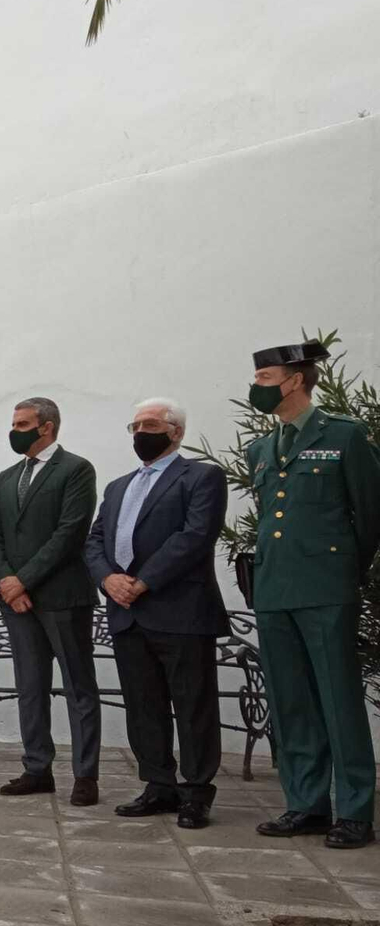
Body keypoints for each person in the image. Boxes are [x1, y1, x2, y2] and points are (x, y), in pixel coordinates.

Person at [246, 342, 380, 850]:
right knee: (291, 699)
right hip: (274, 587)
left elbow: (369, 514)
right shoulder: (262, 449)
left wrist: (343, 568)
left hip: (326, 587)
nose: (256, 386)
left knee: (338, 698)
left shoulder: (343, 436)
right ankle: (306, 804)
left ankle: (354, 810)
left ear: (296, 379)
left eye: (264, 377)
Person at [85, 398, 228, 829]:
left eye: (151, 424)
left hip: (180, 610)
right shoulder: (117, 487)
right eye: (135, 425)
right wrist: (108, 580)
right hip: (127, 613)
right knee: (143, 705)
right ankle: (158, 785)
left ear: (176, 431)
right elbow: (94, 541)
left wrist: (143, 581)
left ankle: (196, 791)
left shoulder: (201, 476)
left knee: (193, 705)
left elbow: (196, 535)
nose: (141, 433)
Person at [0, 397, 102, 806]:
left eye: (22, 423)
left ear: (46, 427)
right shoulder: (6, 477)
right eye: (13, 423)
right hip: (17, 602)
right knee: (29, 685)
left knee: (78, 687)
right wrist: (6, 584)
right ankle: (37, 767)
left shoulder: (75, 470)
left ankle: (85, 774)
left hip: (62, 597)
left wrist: (24, 581)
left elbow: (69, 533)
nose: (14, 430)